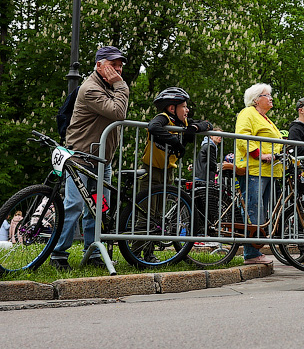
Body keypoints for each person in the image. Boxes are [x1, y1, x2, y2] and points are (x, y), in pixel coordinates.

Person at [50, 46, 130, 271]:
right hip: (81, 158)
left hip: (102, 160)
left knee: (97, 209)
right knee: (74, 205)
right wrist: (120, 85)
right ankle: (58, 253)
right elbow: (118, 112)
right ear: (98, 65)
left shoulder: (108, 86)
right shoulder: (90, 88)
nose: (118, 70)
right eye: (113, 65)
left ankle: (93, 252)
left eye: (120, 66)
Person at [235, 83, 283, 265]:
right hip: (255, 169)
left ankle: (254, 251)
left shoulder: (265, 118)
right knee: (253, 210)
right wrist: (259, 154)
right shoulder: (248, 113)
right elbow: (242, 137)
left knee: (261, 212)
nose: (271, 98)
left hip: (269, 171)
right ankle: (251, 254)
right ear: (256, 99)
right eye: (267, 95)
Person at [141, 87, 212, 190]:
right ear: (172, 109)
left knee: (162, 205)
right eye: (184, 106)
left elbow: (208, 124)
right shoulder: (164, 117)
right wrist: (175, 142)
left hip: (168, 171)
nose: (187, 110)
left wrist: (194, 127)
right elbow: (153, 127)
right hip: (152, 170)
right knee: (147, 205)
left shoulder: (184, 122)